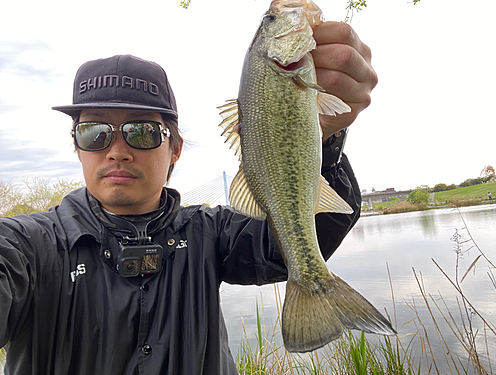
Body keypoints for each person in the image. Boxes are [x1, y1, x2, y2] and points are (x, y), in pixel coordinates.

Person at [0, 21, 376, 375]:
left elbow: (291, 241)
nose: (116, 150)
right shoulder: (27, 246)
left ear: (175, 148)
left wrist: (324, 143)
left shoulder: (210, 233)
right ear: (77, 147)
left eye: (142, 130)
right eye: (94, 131)